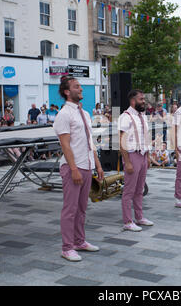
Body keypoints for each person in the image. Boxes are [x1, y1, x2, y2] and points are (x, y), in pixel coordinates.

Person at [53, 76, 104, 262]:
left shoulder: (85, 113)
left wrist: (97, 165)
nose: (81, 89)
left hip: (87, 165)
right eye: (77, 86)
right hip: (73, 167)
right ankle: (67, 248)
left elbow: (89, 142)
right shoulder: (64, 114)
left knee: (82, 208)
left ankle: (79, 241)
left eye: (80, 86)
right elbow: (65, 145)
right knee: (70, 209)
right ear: (67, 92)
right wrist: (73, 168)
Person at [119, 89, 153, 231]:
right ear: (133, 101)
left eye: (144, 99)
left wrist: (148, 156)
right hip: (132, 155)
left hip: (143, 155)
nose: (144, 101)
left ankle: (139, 217)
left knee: (139, 189)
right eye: (141, 99)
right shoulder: (125, 117)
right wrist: (127, 162)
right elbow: (122, 141)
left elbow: (146, 136)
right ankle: (127, 221)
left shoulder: (142, 116)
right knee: (129, 190)